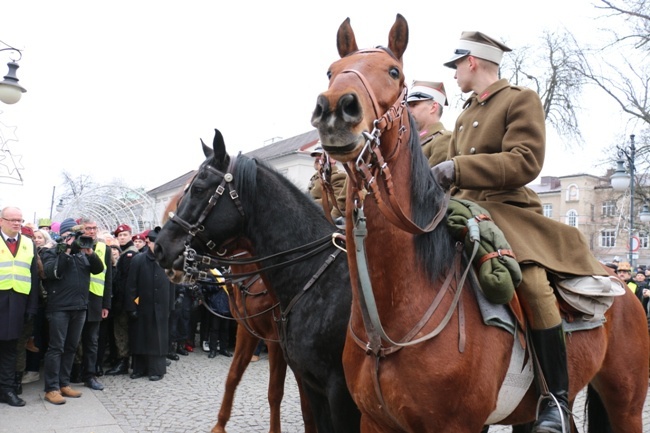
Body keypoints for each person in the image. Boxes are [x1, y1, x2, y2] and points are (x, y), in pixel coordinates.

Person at [434, 31, 608, 432]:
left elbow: (525, 160)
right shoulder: (463, 114)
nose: (456, 73)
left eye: (457, 64)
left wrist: (459, 169)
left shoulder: (519, 100)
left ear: (473, 62)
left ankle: (555, 400)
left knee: (529, 282)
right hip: (461, 211)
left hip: (506, 211)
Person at [40, 218, 104, 405]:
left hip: (80, 307)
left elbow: (98, 269)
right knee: (56, 348)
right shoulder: (50, 251)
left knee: (71, 347)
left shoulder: (83, 254)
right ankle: (51, 388)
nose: (76, 240)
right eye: (72, 236)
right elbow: (52, 272)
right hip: (59, 308)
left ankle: (64, 383)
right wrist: (66, 251)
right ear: (63, 236)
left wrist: (89, 252)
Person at [124, 227, 175, 381]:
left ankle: (156, 370)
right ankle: (139, 368)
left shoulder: (168, 262)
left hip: (161, 308)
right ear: (148, 243)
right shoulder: (138, 260)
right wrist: (131, 307)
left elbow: (173, 285)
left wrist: (171, 306)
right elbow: (131, 285)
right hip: (142, 307)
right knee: (140, 338)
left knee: (158, 340)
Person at [0, 207, 39, 407]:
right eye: (12, 219)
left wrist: (32, 307)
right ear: (1, 221)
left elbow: (33, 276)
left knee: (10, 348)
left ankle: (6, 389)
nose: (17, 223)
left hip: (17, 303)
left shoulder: (28, 244)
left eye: (19, 220)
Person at [74, 217, 112, 391]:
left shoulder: (105, 248)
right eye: (88, 228)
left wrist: (106, 304)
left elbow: (108, 277)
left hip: (95, 299)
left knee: (92, 340)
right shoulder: (75, 245)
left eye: (94, 228)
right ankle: (72, 372)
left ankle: (90, 374)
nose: (91, 231)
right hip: (76, 298)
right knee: (73, 340)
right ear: (82, 229)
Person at [105, 224, 138, 376]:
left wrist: (121, 302)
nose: (122, 237)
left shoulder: (129, 255)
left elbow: (126, 282)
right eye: (120, 236)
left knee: (121, 331)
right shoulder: (128, 252)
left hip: (124, 301)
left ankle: (122, 361)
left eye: (125, 235)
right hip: (127, 301)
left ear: (130, 235)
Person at [406, 80, 452, 167]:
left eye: (414, 105)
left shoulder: (443, 139)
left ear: (433, 107)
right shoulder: (413, 141)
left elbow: (434, 179)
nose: (408, 110)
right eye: (408, 106)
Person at [307, 147, 347, 220]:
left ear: (333, 159)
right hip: (311, 215)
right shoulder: (316, 177)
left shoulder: (338, 176)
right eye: (316, 156)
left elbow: (335, 201)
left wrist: (307, 204)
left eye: (321, 155)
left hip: (326, 219)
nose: (317, 158)